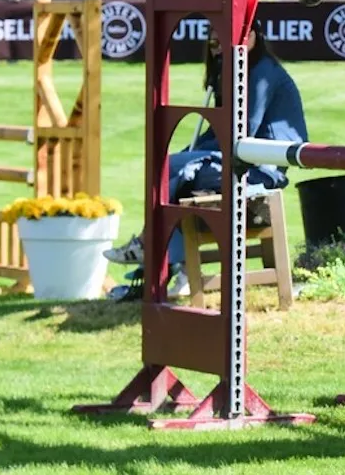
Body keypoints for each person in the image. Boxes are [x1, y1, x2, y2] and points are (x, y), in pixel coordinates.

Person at [104, 22, 307, 301]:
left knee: (174, 168)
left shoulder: (262, 74)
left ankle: (151, 248)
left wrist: (192, 156)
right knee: (172, 168)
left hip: (260, 170)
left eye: (223, 42)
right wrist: (192, 152)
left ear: (250, 37)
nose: (217, 48)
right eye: (213, 43)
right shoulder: (234, 72)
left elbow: (242, 130)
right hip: (238, 161)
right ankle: (173, 263)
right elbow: (216, 132)